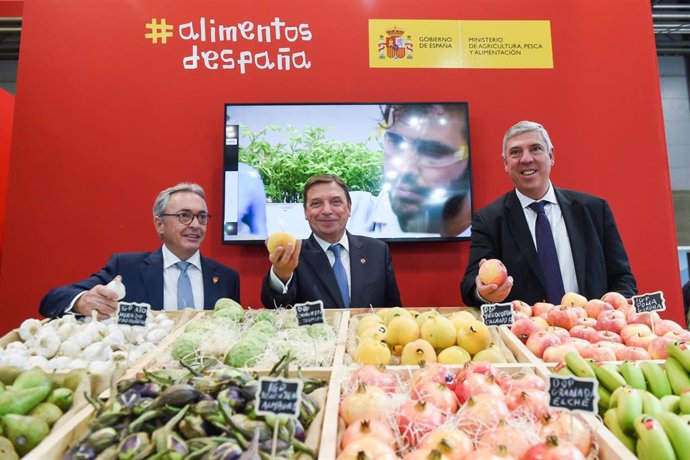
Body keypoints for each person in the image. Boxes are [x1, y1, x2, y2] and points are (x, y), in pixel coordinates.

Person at [460, 120, 637, 307]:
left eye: (535, 148)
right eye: (515, 152)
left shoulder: (594, 210)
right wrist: (483, 292)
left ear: (551, 156)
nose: (526, 159)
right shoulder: (488, 220)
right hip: (524, 333)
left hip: (589, 331)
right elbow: (470, 285)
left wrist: (615, 309)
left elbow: (622, 278)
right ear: (505, 163)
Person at [40, 182, 240, 318]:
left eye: (202, 217)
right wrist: (81, 302)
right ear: (159, 224)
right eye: (184, 216)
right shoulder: (126, 268)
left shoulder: (226, 278)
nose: (196, 224)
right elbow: (52, 299)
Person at [261, 174, 402, 308]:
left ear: (349, 208)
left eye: (336, 202)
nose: (327, 210)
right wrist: (282, 274)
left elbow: (394, 310)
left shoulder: (377, 251)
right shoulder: (294, 254)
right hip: (316, 333)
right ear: (305, 212)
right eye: (316, 204)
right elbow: (273, 303)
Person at [349, 103, 472, 237]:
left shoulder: (489, 232)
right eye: (395, 141)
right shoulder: (347, 215)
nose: (404, 170)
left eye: (432, 151)